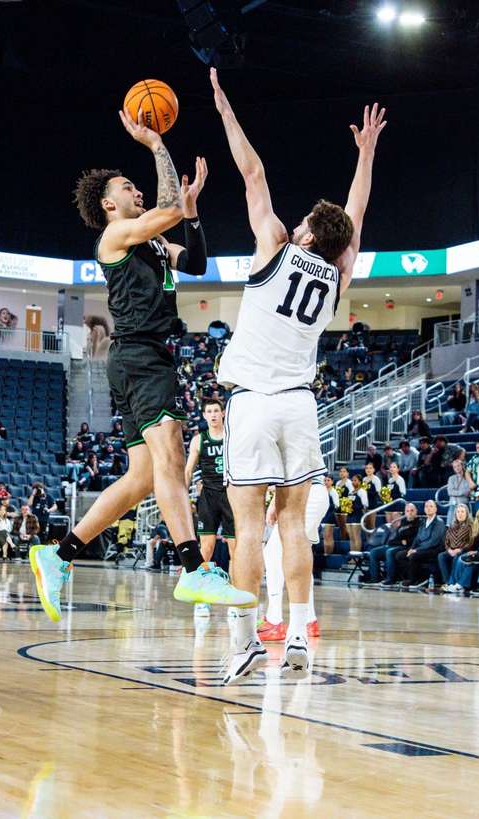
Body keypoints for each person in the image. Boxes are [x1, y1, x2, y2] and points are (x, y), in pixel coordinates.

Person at [29, 92, 246, 625]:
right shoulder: (116, 235)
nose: (137, 189)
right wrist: (156, 143)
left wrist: (191, 216)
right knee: (172, 459)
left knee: (143, 478)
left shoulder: (150, 245)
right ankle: (193, 569)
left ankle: (57, 555)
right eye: (128, 187)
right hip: (141, 358)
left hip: (139, 359)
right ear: (109, 203)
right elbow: (167, 207)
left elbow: (194, 260)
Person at [210, 71, 386, 684]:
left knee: (247, 527)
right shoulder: (337, 276)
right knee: (291, 525)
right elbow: (355, 217)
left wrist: (225, 110)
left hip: (254, 403)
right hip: (301, 407)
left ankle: (242, 643)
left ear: (307, 232)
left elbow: (252, 173)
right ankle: (302, 635)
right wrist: (365, 156)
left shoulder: (276, 246)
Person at [257, 477, 331, 642]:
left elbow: (289, 470)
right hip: (313, 491)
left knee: (273, 552)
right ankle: (309, 621)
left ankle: (274, 621)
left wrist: (274, 502)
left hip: (304, 491)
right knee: (300, 555)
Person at [184, 398, 235, 601]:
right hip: (208, 496)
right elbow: (189, 470)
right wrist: (182, 494)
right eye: (209, 411)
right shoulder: (199, 439)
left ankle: (233, 593)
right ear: (204, 415)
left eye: (216, 410)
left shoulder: (233, 436)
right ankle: (199, 593)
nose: (213, 414)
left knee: (235, 548)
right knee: (206, 546)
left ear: (223, 413)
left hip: (231, 494)